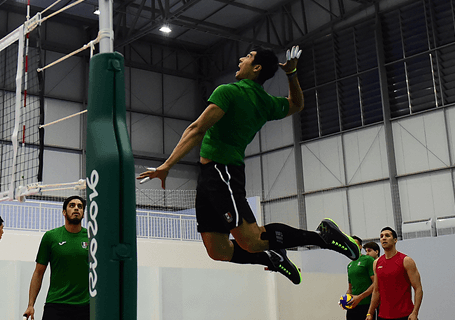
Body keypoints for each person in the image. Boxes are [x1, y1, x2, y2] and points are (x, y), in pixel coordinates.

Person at [137, 46, 359, 285]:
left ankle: (322, 236)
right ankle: (273, 258)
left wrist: (167, 165)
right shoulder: (265, 102)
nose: (241, 59)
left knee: (251, 239)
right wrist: (291, 74)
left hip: (222, 172)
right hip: (209, 176)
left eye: (248, 57)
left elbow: (196, 128)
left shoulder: (229, 92)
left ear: (257, 68)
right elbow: (296, 105)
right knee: (218, 250)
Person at [23, 195, 89, 320]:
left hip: (85, 306)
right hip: (56, 305)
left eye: (80, 207)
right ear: (64, 212)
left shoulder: (92, 238)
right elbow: (38, 272)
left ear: (83, 214)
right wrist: (31, 305)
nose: (76, 208)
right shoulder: (51, 237)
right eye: (72, 206)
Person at [366, 227, 423, 320]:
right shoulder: (376, 263)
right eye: (381, 236)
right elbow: (376, 290)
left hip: (405, 315)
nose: (383, 238)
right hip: (383, 316)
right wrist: (370, 313)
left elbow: (418, 288)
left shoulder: (406, 261)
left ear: (395, 240)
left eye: (387, 236)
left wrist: (415, 312)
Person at [344, 236, 375, 320]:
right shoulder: (349, 265)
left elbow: (376, 283)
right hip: (353, 306)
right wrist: (346, 298)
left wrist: (360, 297)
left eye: (354, 244)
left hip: (366, 305)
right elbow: (350, 288)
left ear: (360, 246)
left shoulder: (368, 260)